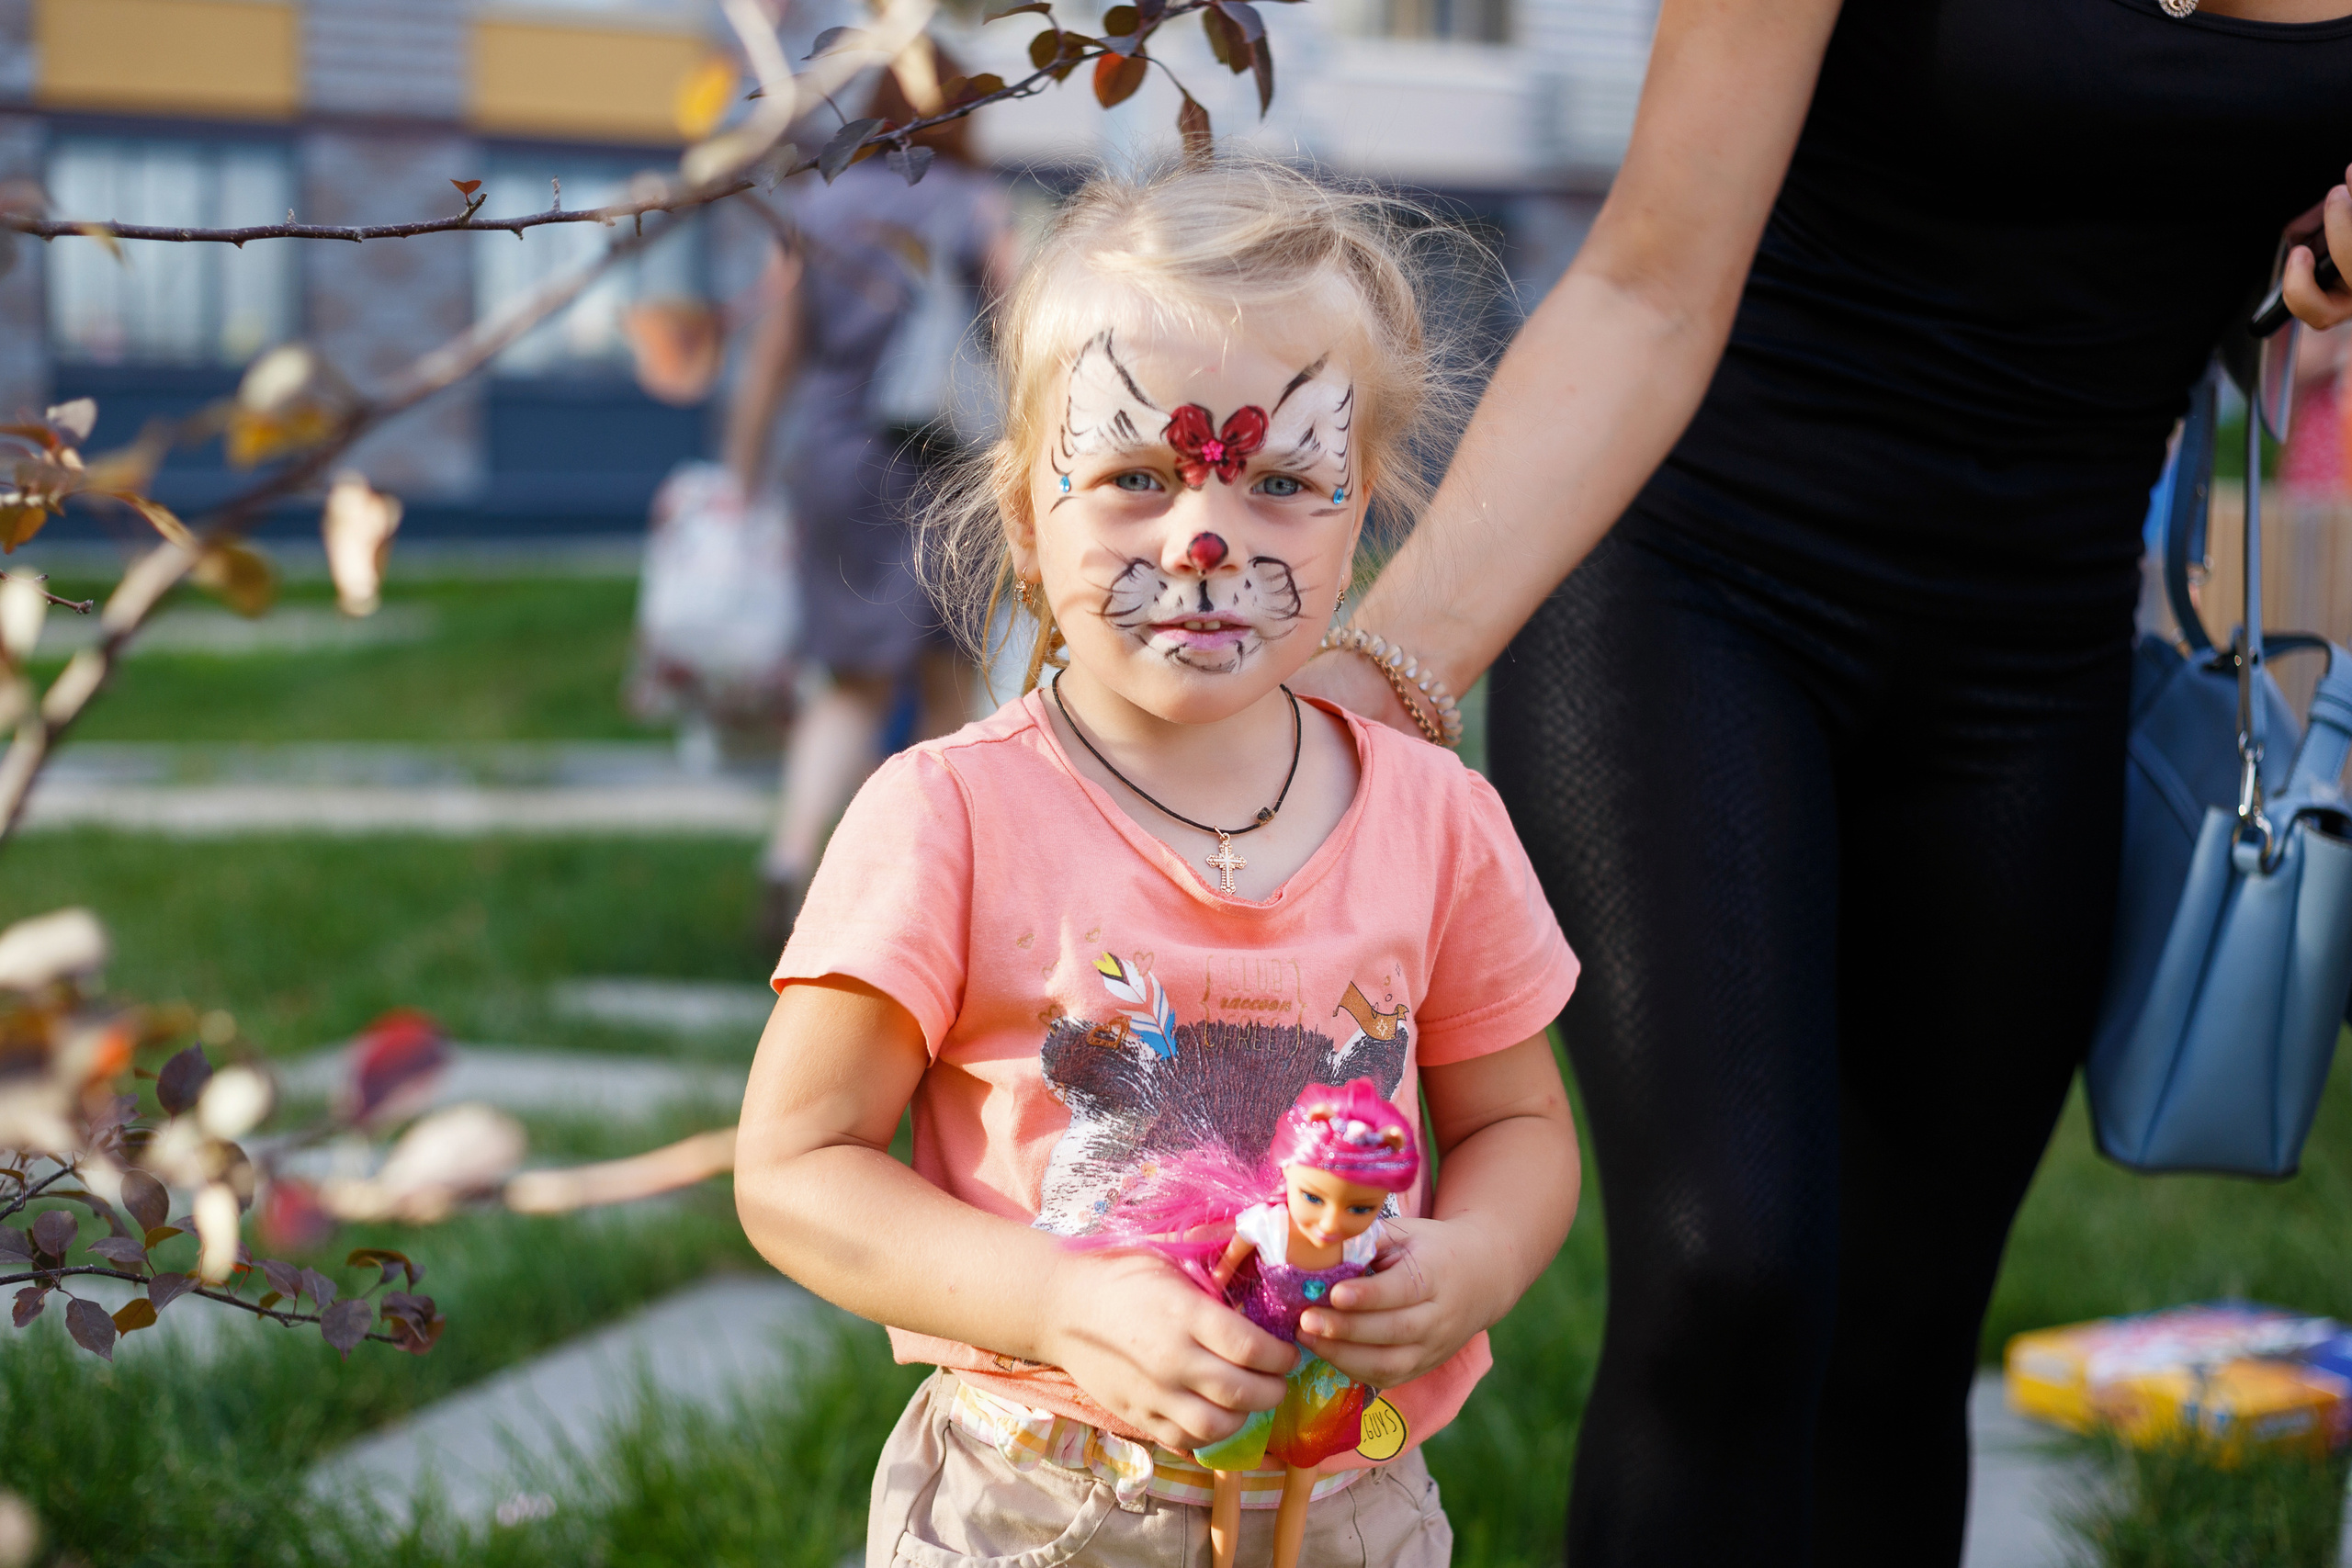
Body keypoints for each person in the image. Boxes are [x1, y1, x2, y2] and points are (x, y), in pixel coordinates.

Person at [1288, 0, 2352, 1553]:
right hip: (1700, 584)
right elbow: (1647, 289)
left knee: (1898, 1340)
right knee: (1733, 1267)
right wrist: (1372, 686)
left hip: (2033, 656)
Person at [733, 158, 1582, 1568]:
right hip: (1036, 1501)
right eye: (1132, 476)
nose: (1202, 537)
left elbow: (1521, 1129)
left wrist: (1474, 1260)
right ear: (1021, 514)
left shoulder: (1441, 818)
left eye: (1280, 479)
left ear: (1360, 503)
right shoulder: (947, 813)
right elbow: (795, 1165)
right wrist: (1055, 1298)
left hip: (1351, 1501)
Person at [723, 58, 1019, 944]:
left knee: (849, 680)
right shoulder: (971, 203)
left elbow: (774, 356)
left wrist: (740, 478)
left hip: (839, 461)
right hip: (951, 469)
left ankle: (790, 853)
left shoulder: (815, 210)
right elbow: (1015, 335)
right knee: (948, 681)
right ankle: (925, 886)